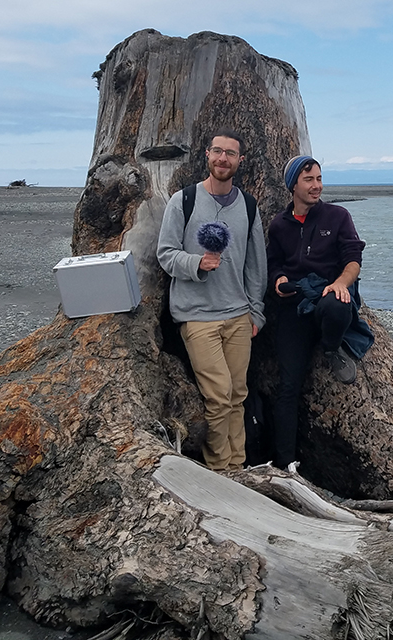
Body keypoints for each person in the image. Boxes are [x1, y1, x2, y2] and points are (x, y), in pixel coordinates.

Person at [156, 129, 267, 471]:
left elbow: (255, 264)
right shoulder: (183, 201)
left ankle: (239, 465)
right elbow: (165, 253)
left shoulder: (248, 205)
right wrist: (196, 263)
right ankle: (222, 472)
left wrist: (256, 313)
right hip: (197, 316)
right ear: (207, 155)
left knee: (237, 397)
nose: (223, 158)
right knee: (218, 397)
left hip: (238, 316)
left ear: (239, 160)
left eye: (230, 154)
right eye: (217, 152)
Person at [266, 155, 374, 469]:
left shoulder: (338, 216)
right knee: (288, 386)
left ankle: (331, 348)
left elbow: (354, 258)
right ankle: (286, 465)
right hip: (295, 306)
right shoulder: (279, 224)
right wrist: (279, 280)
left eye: (319, 179)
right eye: (309, 180)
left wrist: (341, 282)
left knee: (338, 302)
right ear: (293, 186)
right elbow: (274, 264)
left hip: (328, 298)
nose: (317, 186)